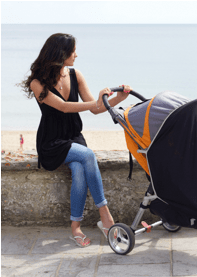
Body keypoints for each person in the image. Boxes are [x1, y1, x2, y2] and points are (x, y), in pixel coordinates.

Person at [19, 33, 131, 247]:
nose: (76, 55)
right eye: (73, 51)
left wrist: (119, 98)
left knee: (80, 170)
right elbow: (62, 106)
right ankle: (106, 218)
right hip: (51, 142)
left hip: (73, 137)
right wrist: (94, 102)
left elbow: (97, 108)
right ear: (61, 54)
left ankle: (75, 227)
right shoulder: (37, 83)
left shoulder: (75, 74)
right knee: (88, 155)